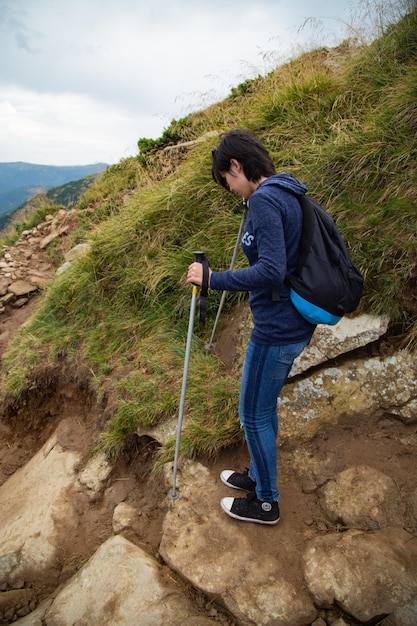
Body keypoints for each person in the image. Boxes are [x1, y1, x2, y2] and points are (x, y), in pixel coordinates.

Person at [186, 129, 316, 525]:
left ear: (237, 166)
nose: (230, 189)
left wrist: (213, 279)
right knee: (263, 409)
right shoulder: (285, 192)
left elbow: (272, 269)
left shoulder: (264, 200)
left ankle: (266, 502)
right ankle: (258, 476)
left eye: (227, 180)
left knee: (252, 415)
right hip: (292, 321)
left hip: (277, 329)